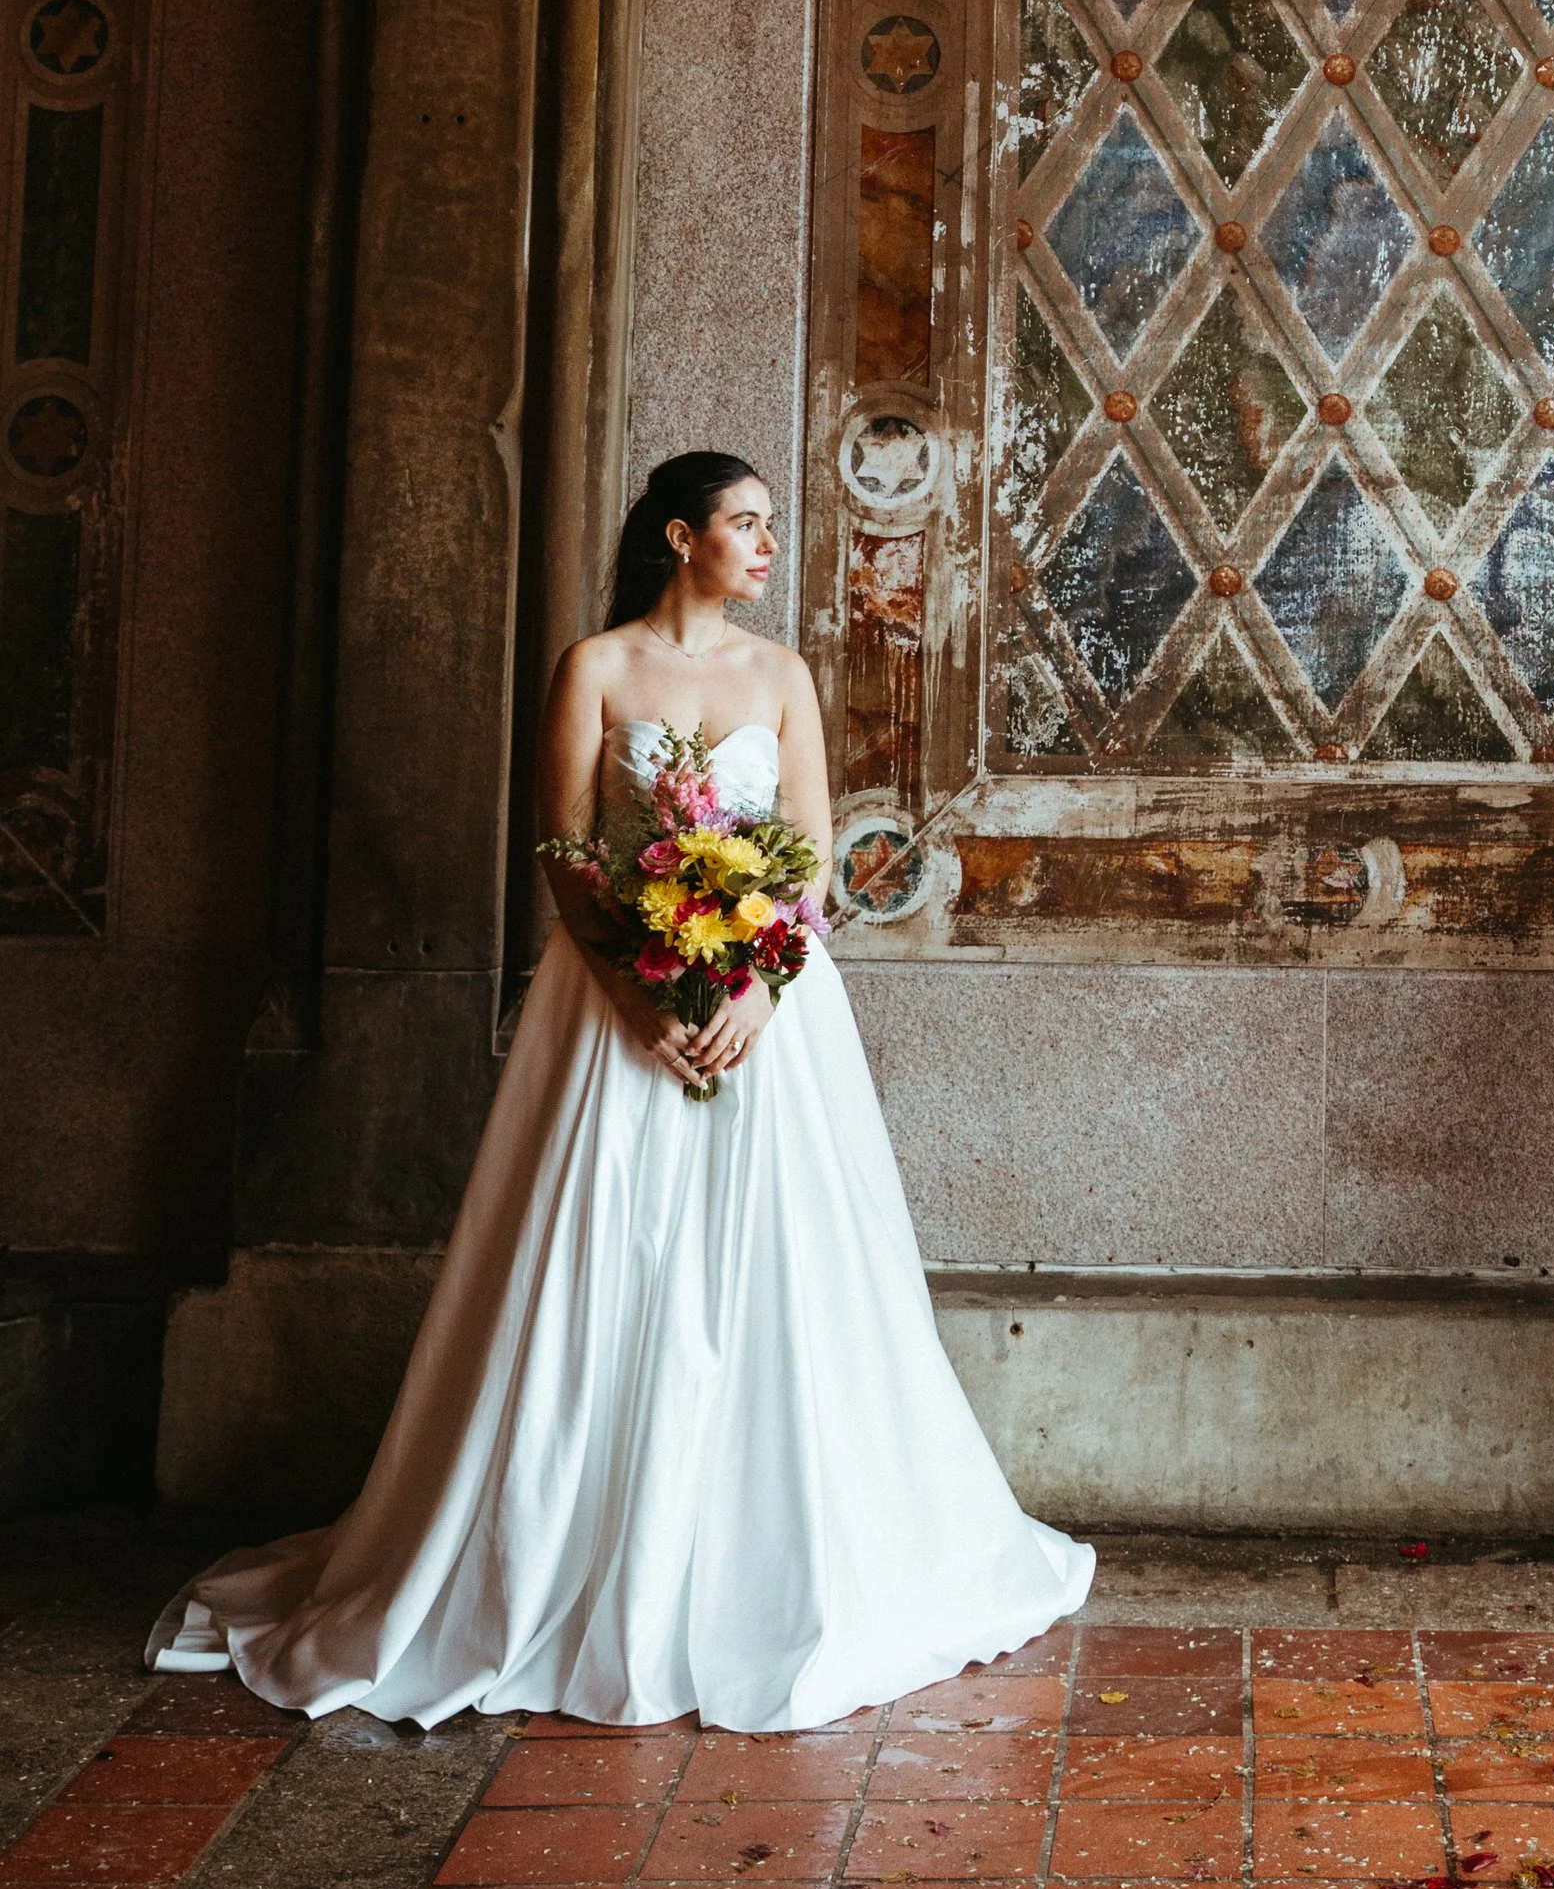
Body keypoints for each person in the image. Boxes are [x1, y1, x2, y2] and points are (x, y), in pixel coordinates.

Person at [148, 450, 1091, 1726]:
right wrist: (648, 1002)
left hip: (769, 1018)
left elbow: (808, 865)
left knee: (784, 1270)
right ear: (677, 535)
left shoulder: (782, 676)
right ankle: (562, 1565)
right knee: (606, 1260)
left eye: (768, 524)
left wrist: (754, 990)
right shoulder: (595, 669)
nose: (767, 546)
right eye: (746, 525)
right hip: (613, 1012)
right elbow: (571, 866)